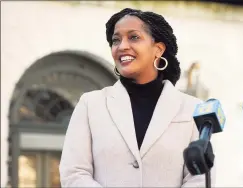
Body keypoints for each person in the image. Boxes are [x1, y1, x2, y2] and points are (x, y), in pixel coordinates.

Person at [59, 8, 215, 187]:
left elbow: (199, 179)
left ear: (158, 49)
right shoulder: (90, 105)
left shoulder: (193, 109)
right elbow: (74, 173)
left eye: (133, 37)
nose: (122, 46)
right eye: (116, 40)